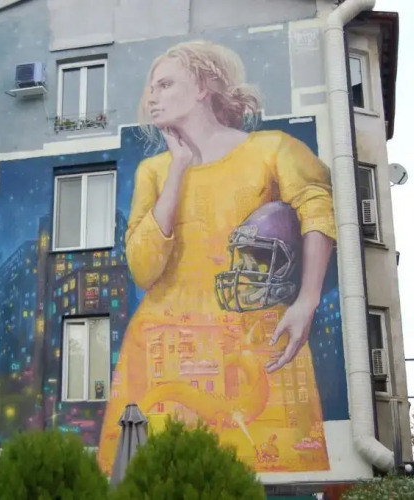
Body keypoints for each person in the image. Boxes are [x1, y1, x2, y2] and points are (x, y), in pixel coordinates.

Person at [97, 40, 336, 473]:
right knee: (149, 482)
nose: (151, 97)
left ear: (203, 86)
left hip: (259, 350)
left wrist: (307, 300)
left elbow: (317, 208)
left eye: (165, 84)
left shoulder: (273, 150)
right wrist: (178, 169)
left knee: (269, 476)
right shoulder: (153, 172)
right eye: (151, 88)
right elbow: (143, 269)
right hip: (160, 352)